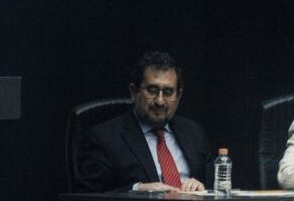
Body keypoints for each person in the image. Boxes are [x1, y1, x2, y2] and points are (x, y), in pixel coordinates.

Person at [76, 52, 213, 193]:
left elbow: (216, 188)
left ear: (179, 95)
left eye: (168, 92)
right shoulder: (105, 138)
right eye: (152, 90)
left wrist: (203, 189)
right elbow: (87, 199)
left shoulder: (193, 132)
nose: (159, 101)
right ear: (134, 92)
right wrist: (135, 190)